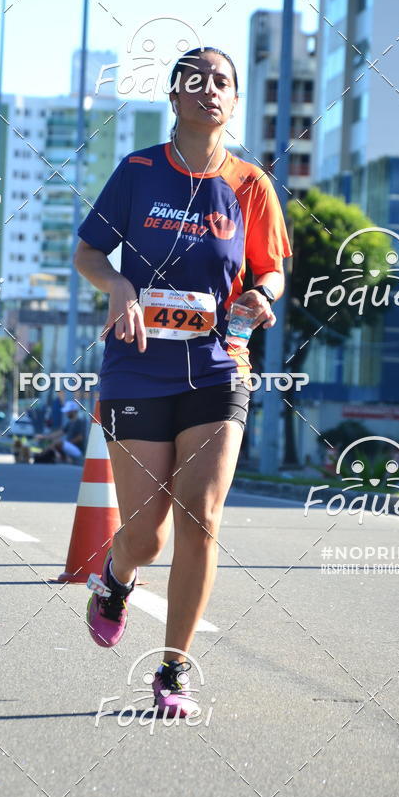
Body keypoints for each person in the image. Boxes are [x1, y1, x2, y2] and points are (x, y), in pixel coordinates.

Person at [74, 46, 292, 716]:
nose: (209, 91)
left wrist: (263, 295)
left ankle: (172, 670)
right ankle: (117, 576)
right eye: (195, 82)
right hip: (138, 366)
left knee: (201, 516)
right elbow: (87, 252)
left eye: (222, 82)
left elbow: (271, 267)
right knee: (148, 535)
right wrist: (118, 287)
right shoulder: (138, 172)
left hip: (220, 364)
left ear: (235, 99)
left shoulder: (250, 183)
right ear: (174, 97)